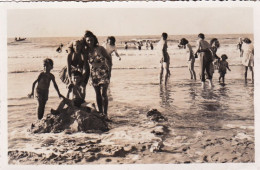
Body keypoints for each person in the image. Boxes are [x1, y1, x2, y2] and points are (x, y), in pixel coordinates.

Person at [85, 31, 112, 120]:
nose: (90, 42)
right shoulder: (86, 51)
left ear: (94, 40)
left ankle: (105, 113)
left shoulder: (100, 48)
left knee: (104, 93)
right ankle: (100, 113)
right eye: (88, 40)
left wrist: (109, 72)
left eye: (91, 40)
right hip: (94, 73)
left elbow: (108, 58)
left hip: (103, 71)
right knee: (97, 94)